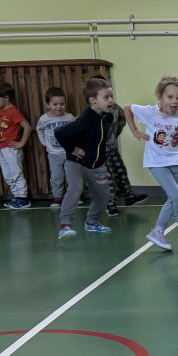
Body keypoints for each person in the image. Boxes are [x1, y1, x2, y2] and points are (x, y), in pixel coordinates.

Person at [125, 76, 178, 251]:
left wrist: (174, 139)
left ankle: (158, 232)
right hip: (156, 161)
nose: (175, 101)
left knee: (175, 197)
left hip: (175, 159)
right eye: (170, 97)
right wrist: (135, 131)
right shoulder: (149, 112)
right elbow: (127, 109)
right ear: (160, 97)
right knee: (177, 196)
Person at [54, 77, 118, 239]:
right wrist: (72, 149)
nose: (111, 100)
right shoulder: (85, 119)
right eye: (106, 97)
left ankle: (91, 222)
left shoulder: (108, 117)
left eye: (111, 96)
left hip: (97, 164)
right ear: (93, 100)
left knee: (104, 196)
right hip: (76, 162)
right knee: (75, 188)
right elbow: (60, 133)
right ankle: (65, 225)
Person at [0, 81, 32, 209]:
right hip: (1, 148)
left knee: (16, 172)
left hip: (12, 148)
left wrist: (21, 142)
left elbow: (27, 127)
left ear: (6, 98)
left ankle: (23, 198)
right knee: (8, 174)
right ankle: (16, 196)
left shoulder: (13, 112)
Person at [35, 87, 75, 208]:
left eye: (62, 104)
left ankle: (73, 197)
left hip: (69, 153)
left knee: (72, 175)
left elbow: (75, 130)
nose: (59, 107)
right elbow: (39, 130)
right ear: (47, 105)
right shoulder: (44, 119)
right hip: (53, 154)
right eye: (55, 104)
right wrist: (45, 143)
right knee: (57, 176)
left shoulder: (69, 117)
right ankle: (58, 197)